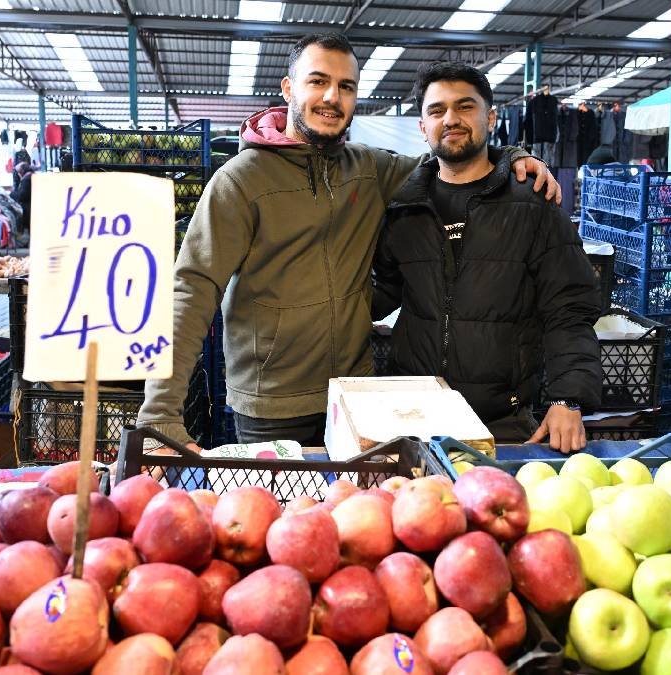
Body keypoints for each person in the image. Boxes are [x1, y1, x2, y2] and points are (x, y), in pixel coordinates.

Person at [137, 33, 559, 449]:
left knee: (358, 514)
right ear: (289, 88)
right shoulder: (241, 181)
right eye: (318, 81)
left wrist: (511, 157)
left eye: (346, 86)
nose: (332, 97)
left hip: (357, 395)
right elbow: (191, 291)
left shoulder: (369, 169)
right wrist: (160, 415)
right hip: (272, 405)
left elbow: (452, 164)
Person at [371, 62, 602, 451]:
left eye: (465, 107)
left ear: (490, 117)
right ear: (422, 126)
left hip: (502, 421)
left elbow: (569, 307)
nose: (451, 119)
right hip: (412, 414)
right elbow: (386, 290)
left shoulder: (532, 204)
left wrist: (568, 397)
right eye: (437, 110)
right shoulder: (403, 207)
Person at [9, 161, 33, 235]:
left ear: (22, 171)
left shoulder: (26, 179)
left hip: (28, 207)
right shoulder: (31, 176)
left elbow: (22, 196)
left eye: (18, 172)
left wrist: (12, 194)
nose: (18, 174)